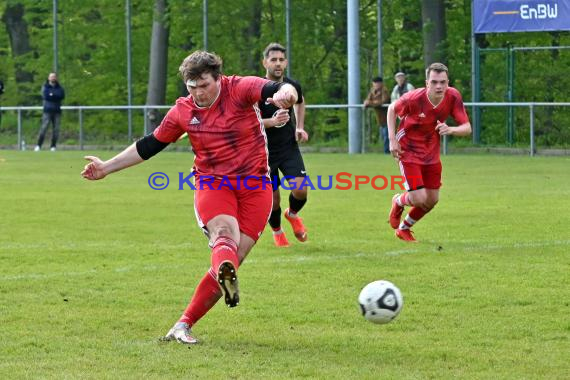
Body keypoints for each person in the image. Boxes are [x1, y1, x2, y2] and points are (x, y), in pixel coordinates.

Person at [81, 51, 298, 344]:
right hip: (213, 182)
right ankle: (224, 270)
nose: (198, 92)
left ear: (217, 79)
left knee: (237, 255)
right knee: (225, 235)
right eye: (191, 86)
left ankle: (183, 324)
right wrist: (106, 168)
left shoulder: (239, 88)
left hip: (255, 186)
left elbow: (276, 89)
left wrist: (287, 94)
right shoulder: (183, 111)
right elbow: (149, 145)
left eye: (204, 85)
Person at [387, 63, 471, 242]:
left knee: (431, 200)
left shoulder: (453, 96)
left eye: (443, 82)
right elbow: (391, 109)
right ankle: (398, 201)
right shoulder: (414, 98)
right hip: (407, 150)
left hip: (431, 153)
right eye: (434, 82)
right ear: (427, 83)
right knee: (419, 198)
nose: (439, 86)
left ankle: (404, 229)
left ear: (448, 82)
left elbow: (467, 128)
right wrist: (392, 140)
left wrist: (451, 130)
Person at [258, 42, 309, 248]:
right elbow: (247, 122)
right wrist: (271, 122)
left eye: (281, 60)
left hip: (288, 146)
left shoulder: (292, 85)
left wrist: (300, 126)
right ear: (265, 63)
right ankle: (277, 232)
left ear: (286, 62)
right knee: (274, 199)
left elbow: (300, 101)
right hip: (263, 151)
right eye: (273, 60)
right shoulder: (256, 89)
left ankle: (293, 214)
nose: (278, 64)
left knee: (301, 190)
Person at [34, 73, 65, 151]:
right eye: (51, 77)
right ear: (48, 78)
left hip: (57, 111)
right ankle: (38, 145)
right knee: (43, 128)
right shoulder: (45, 87)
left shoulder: (60, 88)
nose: (53, 78)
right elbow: (46, 96)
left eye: (54, 77)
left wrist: (52, 95)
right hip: (47, 111)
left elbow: (61, 96)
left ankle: (53, 146)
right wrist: (53, 96)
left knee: (56, 129)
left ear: (56, 78)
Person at [363, 76, 391, 154]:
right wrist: (366, 102)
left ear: (381, 83)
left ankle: (387, 152)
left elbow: (383, 101)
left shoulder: (384, 91)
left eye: (377, 83)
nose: (376, 85)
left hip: (387, 116)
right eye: (374, 84)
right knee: (384, 135)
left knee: (387, 135)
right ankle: (387, 151)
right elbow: (368, 99)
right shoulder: (372, 91)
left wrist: (370, 103)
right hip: (379, 117)